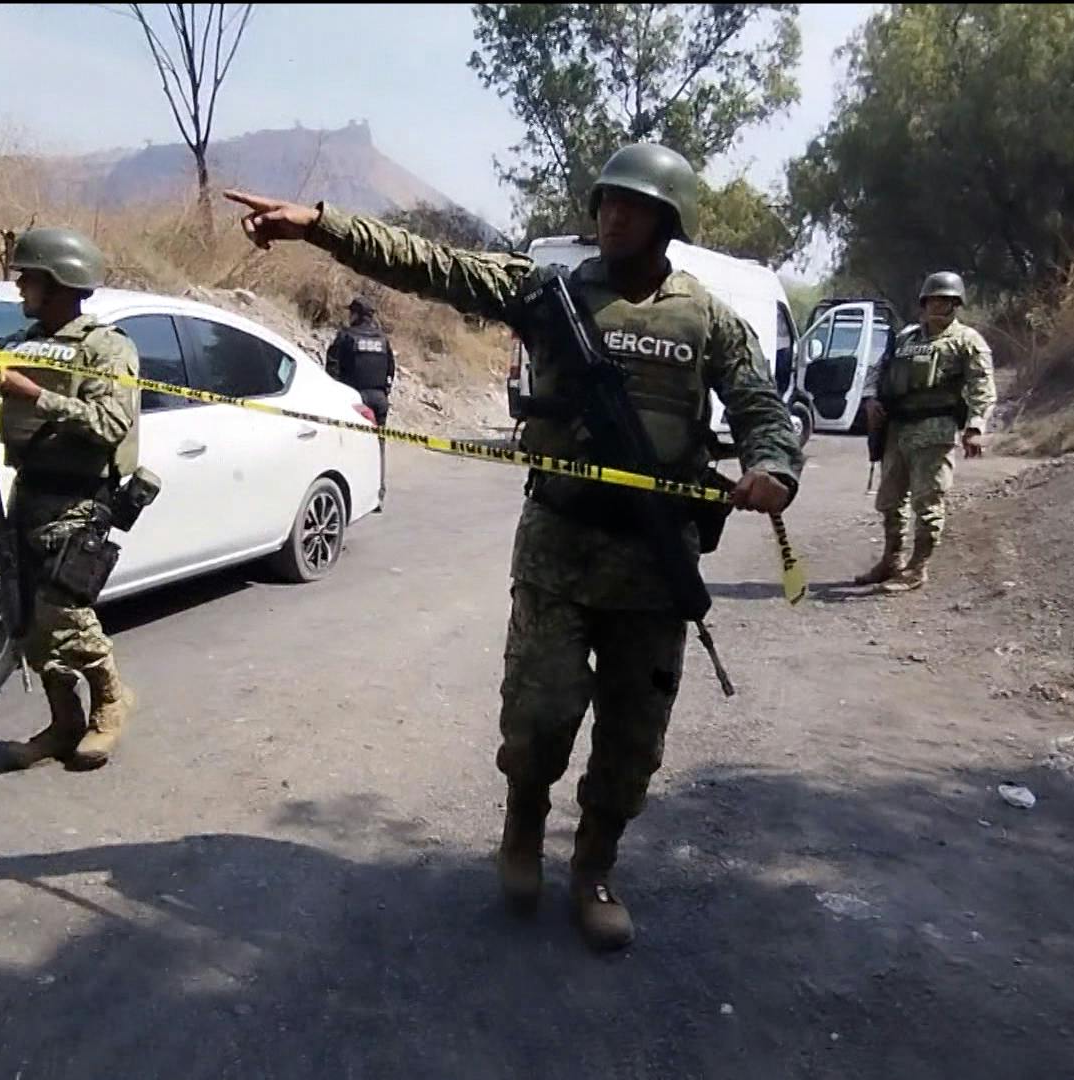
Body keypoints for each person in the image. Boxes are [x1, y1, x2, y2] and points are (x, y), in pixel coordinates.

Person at [225, 143, 804, 952]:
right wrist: (322, 227)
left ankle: (595, 869)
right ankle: (523, 831)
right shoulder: (551, 295)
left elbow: (761, 408)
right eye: (606, 202)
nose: (611, 216)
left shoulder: (706, 318)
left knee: (633, 739)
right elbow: (437, 266)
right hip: (558, 554)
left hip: (653, 567)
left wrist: (772, 466)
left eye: (631, 207)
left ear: (667, 221)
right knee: (537, 717)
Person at [0, 227, 143, 771]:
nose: (20, 287)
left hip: (76, 499)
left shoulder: (107, 347)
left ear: (61, 283)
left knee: (64, 612)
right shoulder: (25, 341)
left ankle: (111, 703)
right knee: (24, 614)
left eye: (30, 278)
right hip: (28, 490)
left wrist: (35, 394)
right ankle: (64, 720)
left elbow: (111, 423)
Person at [854, 270, 997, 592]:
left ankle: (917, 568)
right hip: (897, 429)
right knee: (890, 500)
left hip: (935, 431)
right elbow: (880, 370)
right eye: (932, 299)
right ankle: (892, 560)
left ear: (955, 304)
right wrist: (870, 400)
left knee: (927, 501)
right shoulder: (905, 338)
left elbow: (982, 387)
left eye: (945, 300)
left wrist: (975, 426)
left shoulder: (967, 341)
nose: (937, 305)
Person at [325, 295, 395, 508]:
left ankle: (353, 498)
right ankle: (378, 495)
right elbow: (391, 369)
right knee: (377, 447)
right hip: (379, 399)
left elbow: (332, 369)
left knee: (348, 447)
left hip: (355, 399)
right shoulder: (382, 339)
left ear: (355, 314)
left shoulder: (346, 336)